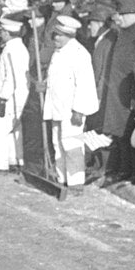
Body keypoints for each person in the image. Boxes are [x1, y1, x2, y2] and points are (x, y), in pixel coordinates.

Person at [42, 13, 100, 187]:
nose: (56, 38)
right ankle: (62, 179)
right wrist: (43, 85)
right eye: (55, 34)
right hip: (56, 106)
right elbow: (56, 77)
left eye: (59, 35)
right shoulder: (58, 51)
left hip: (71, 110)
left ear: (70, 35)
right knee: (57, 142)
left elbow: (85, 85)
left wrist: (79, 111)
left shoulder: (79, 54)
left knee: (72, 145)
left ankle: (75, 183)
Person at [0, 15, 30, 173]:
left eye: (2, 31)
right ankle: (15, 160)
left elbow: (11, 77)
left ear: (7, 32)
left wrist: (2, 98)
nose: (1, 34)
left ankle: (0, 164)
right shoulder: (16, 48)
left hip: (11, 97)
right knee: (13, 129)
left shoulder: (12, 50)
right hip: (17, 96)